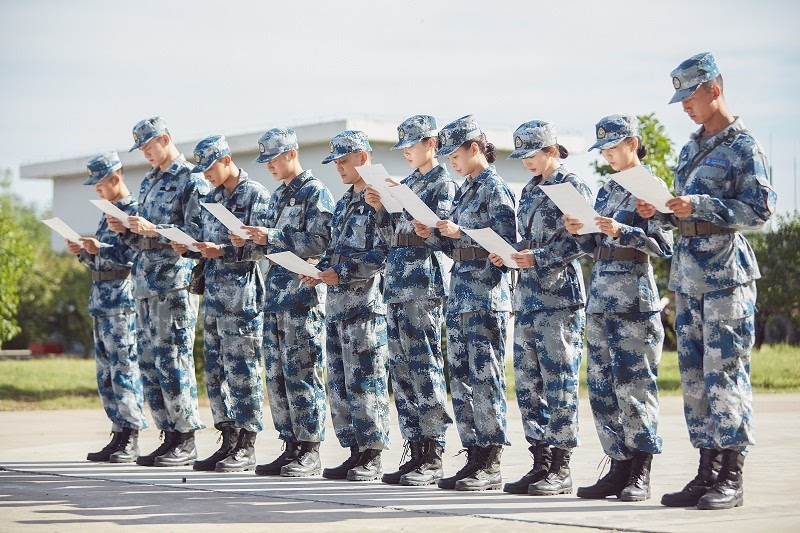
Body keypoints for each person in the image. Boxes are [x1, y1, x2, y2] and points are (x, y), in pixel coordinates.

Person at [637, 52, 776, 510]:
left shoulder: (745, 148)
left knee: (726, 376)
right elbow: (683, 208)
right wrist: (660, 209)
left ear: (715, 90)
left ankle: (732, 476)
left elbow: (758, 211)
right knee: (695, 379)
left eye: (690, 97)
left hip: (726, 279)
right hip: (689, 276)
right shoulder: (689, 149)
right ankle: (706, 472)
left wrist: (700, 207)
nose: (684, 107)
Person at [564, 114, 673, 501]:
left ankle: (640, 472)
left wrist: (622, 230)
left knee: (635, 388)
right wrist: (583, 233)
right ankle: (617, 467)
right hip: (602, 301)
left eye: (613, 147)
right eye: (603, 149)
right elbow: (596, 248)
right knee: (604, 390)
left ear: (633, 143)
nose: (608, 155)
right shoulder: (607, 189)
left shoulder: (651, 186)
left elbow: (664, 246)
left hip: (634, 302)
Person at [413, 115, 516, 491]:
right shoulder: (465, 190)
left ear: (475, 149)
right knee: (463, 382)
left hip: (486, 297)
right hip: (460, 298)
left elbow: (505, 242)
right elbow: (457, 248)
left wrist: (462, 231)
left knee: (485, 380)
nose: (451, 161)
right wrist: (434, 235)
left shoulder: (495, 188)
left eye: (456, 154)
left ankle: (490, 463)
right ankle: (473, 455)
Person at [489, 121, 590, 497]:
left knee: (558, 381)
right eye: (521, 157)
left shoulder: (571, 186)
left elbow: (584, 240)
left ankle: (561, 467)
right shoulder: (530, 191)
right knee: (530, 384)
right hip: (527, 297)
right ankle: (541, 462)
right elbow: (528, 241)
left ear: (551, 150)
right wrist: (510, 254)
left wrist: (540, 257)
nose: (526, 163)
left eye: (531, 155)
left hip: (559, 299)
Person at [231, 128, 334, 477]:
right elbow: (271, 248)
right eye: (266, 161)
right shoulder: (276, 197)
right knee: (277, 377)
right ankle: (290, 444)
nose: (270, 166)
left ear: (291, 153)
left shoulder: (314, 192)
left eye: (274, 158)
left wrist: (271, 236)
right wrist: (248, 240)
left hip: (302, 298)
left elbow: (320, 240)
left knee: (302, 373)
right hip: (275, 297)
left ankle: (310, 449)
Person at [107, 116, 208, 467]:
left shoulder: (191, 178)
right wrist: (125, 230)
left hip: (174, 282)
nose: (146, 154)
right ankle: (168, 435)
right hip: (146, 282)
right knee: (150, 364)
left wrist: (156, 228)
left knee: (174, 360)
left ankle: (186, 438)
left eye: (149, 146)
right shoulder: (149, 181)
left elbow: (197, 230)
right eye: (142, 149)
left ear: (164, 139)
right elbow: (143, 239)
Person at [170, 135, 270, 472]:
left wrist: (225, 250)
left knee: (243, 372)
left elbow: (265, 246)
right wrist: (191, 247)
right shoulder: (211, 198)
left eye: (210, 167)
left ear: (226, 160)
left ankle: (247, 445)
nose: (207, 174)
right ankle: (228, 440)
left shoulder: (255, 194)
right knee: (216, 375)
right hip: (213, 296)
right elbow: (205, 238)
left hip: (241, 298)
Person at [365, 115, 455, 486]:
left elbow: (445, 231)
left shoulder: (442, 182)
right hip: (397, 285)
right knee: (402, 372)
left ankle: (433, 454)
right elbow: (390, 238)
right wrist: (381, 208)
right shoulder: (406, 184)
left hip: (423, 286)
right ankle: (414, 448)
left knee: (425, 368)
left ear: (430, 144)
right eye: (403, 145)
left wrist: (418, 213)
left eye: (412, 144)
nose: (406, 151)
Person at [299, 130, 389, 481]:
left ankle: (373, 454)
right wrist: (319, 271)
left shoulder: (378, 199)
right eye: (335, 162)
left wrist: (342, 272)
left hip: (364, 306)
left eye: (343, 160)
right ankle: (355, 451)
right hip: (336, 305)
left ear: (362, 158)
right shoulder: (344, 202)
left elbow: (382, 253)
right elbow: (336, 250)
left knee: (365, 382)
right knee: (340, 384)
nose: (338, 167)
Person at [70, 151, 146, 463]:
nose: (97, 190)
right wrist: (84, 251)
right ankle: (117, 432)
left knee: (124, 368)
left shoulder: (133, 213)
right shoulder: (107, 213)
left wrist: (109, 243)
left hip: (122, 300)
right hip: (101, 299)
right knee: (106, 373)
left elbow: (132, 256)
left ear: (115, 178)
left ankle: (131, 436)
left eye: (100, 184)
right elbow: (102, 259)